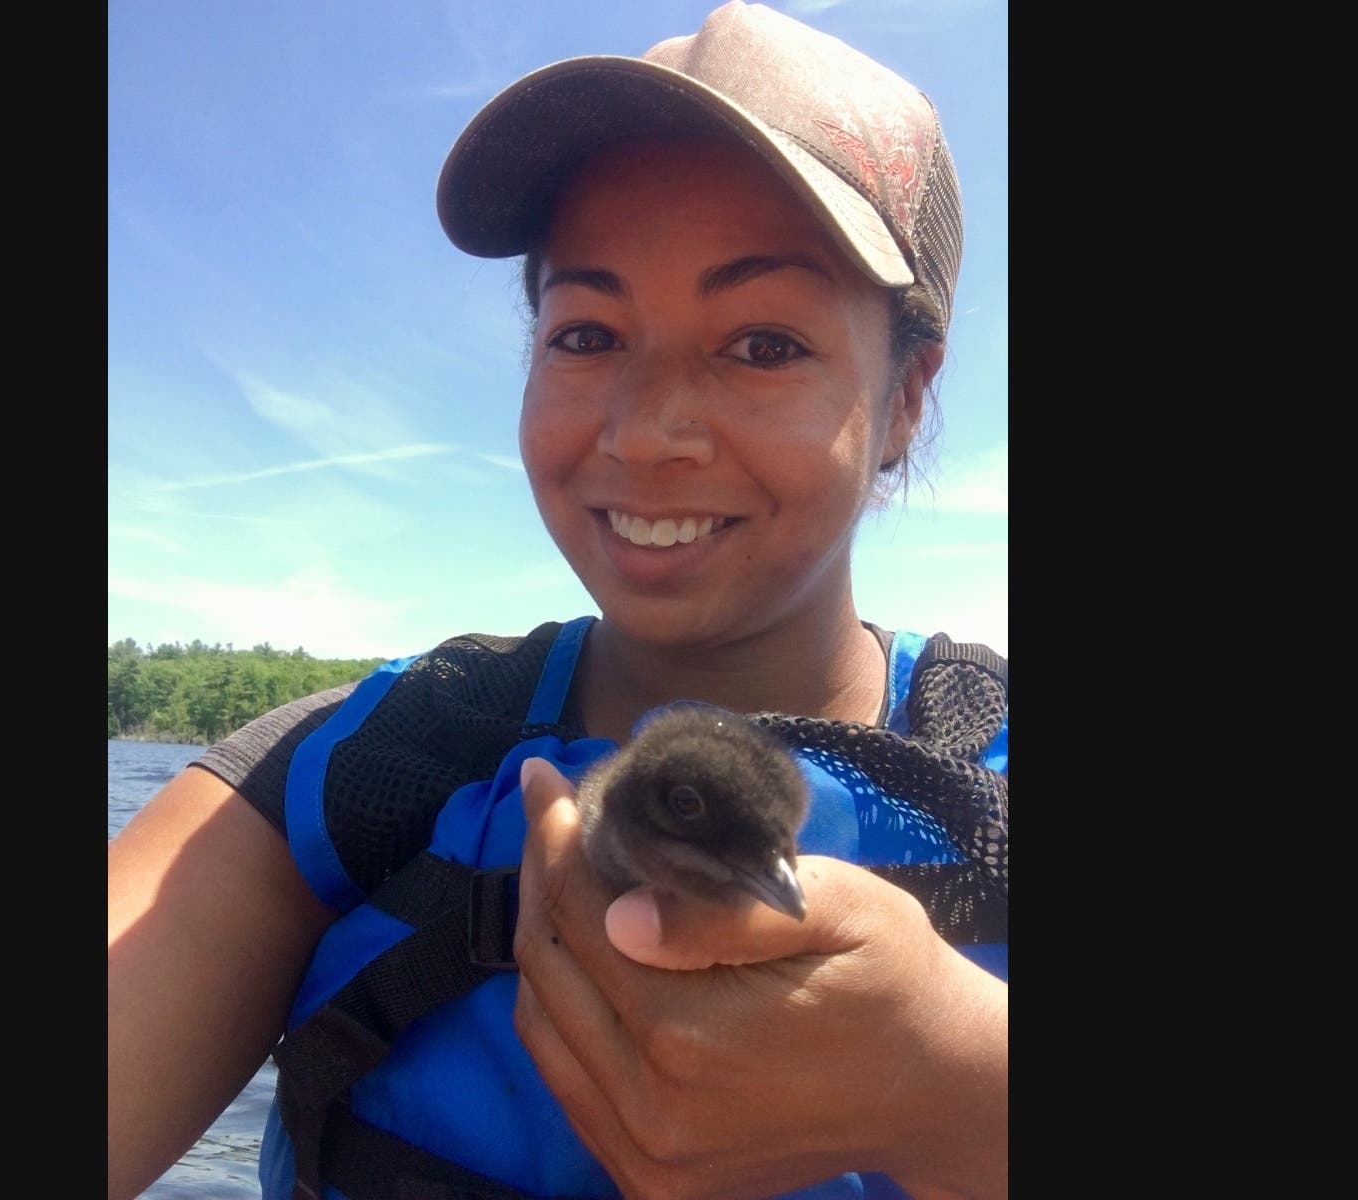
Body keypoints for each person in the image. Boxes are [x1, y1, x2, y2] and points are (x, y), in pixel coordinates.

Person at [108, 3, 1008, 1198]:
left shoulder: (988, 777)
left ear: (905, 398)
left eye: (762, 345)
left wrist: (953, 1091)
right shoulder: (371, 763)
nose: (646, 433)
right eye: (587, 332)